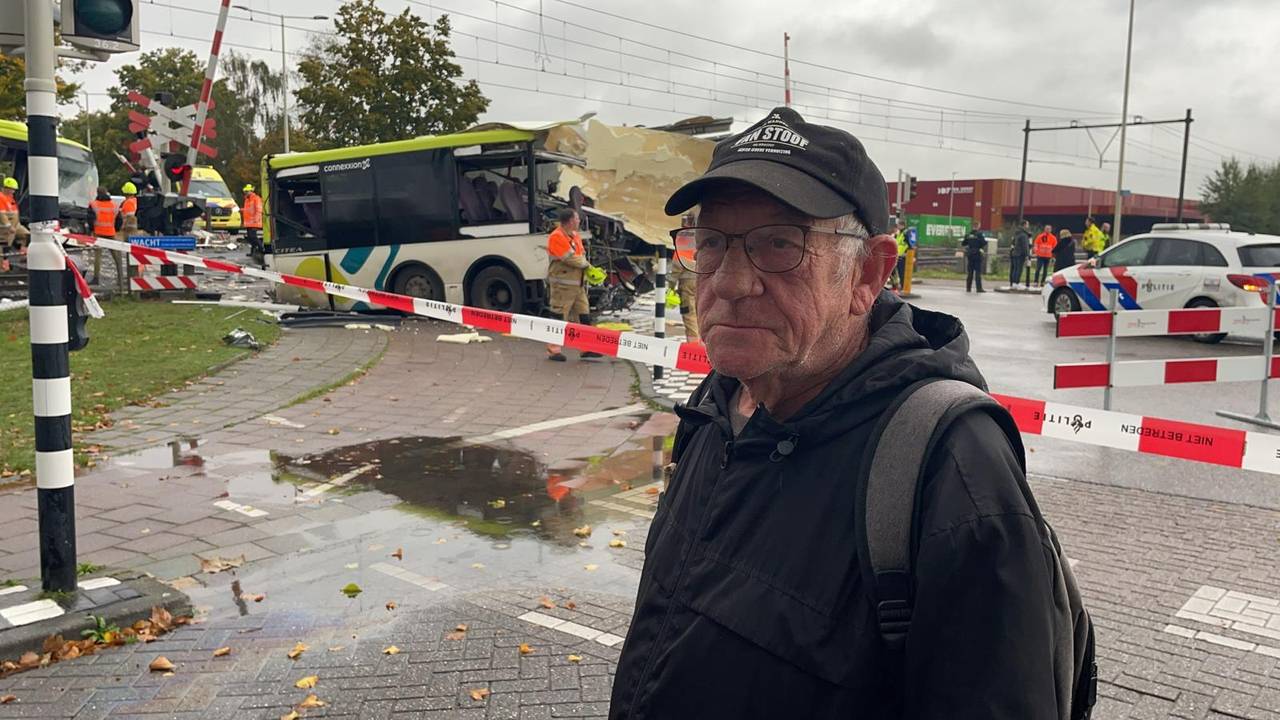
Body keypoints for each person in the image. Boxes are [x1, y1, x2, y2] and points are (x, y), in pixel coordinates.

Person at [612, 106, 1069, 718]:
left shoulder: (949, 472)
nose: (729, 282)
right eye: (713, 243)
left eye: (780, 244)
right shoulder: (718, 402)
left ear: (869, 274)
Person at [545, 207, 604, 362]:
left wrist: (587, 268)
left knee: (584, 315)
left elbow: (580, 255)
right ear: (570, 221)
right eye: (577, 218)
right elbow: (571, 259)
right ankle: (553, 350)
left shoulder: (574, 235)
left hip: (577, 285)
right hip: (562, 286)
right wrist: (589, 267)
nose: (579, 221)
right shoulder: (556, 237)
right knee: (558, 317)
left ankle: (586, 348)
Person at [669, 213, 700, 341]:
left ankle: (693, 347)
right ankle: (704, 346)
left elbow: (678, 264)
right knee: (701, 313)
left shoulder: (683, 238)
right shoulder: (703, 235)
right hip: (702, 280)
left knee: (689, 315)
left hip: (687, 283)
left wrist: (670, 284)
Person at [0, 177, 28, 254]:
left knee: (27, 235)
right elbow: (2, 215)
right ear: (6, 188)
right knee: (5, 244)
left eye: (14, 189)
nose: (13, 191)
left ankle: (22, 250)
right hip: (5, 227)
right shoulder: (1, 198)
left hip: (15, 224)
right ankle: (4, 260)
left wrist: (16, 224)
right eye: (12, 189)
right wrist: (9, 226)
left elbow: (15, 212)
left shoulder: (10, 198)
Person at [961, 224, 986, 293]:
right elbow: (984, 243)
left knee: (970, 272)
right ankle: (979, 288)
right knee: (978, 272)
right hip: (977, 254)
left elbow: (963, 243)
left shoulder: (968, 234)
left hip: (970, 254)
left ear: (973, 227)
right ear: (978, 226)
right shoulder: (980, 234)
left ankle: (968, 288)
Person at [241, 184, 263, 255]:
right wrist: (240, 210)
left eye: (247, 191)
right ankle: (253, 251)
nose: (246, 193)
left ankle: (261, 249)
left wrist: (256, 219)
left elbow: (259, 209)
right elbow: (247, 210)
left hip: (254, 222)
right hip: (249, 223)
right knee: (250, 238)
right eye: (245, 191)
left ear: (251, 191)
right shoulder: (247, 200)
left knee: (253, 237)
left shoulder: (256, 198)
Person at [1009, 219, 1031, 288]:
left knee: (1015, 268)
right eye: (1027, 224)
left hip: (1015, 253)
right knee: (1019, 269)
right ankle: (1016, 283)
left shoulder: (1017, 233)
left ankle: (1013, 283)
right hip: (1020, 254)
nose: (1028, 226)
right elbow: (1025, 246)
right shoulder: (1023, 235)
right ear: (1024, 225)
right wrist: (1027, 255)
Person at [892, 220, 907, 289]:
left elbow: (909, 244)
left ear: (902, 226)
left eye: (899, 225)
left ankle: (903, 286)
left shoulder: (905, 233)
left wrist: (906, 253)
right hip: (898, 255)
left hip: (903, 256)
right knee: (896, 271)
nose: (898, 227)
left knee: (902, 272)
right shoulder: (899, 234)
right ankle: (897, 285)